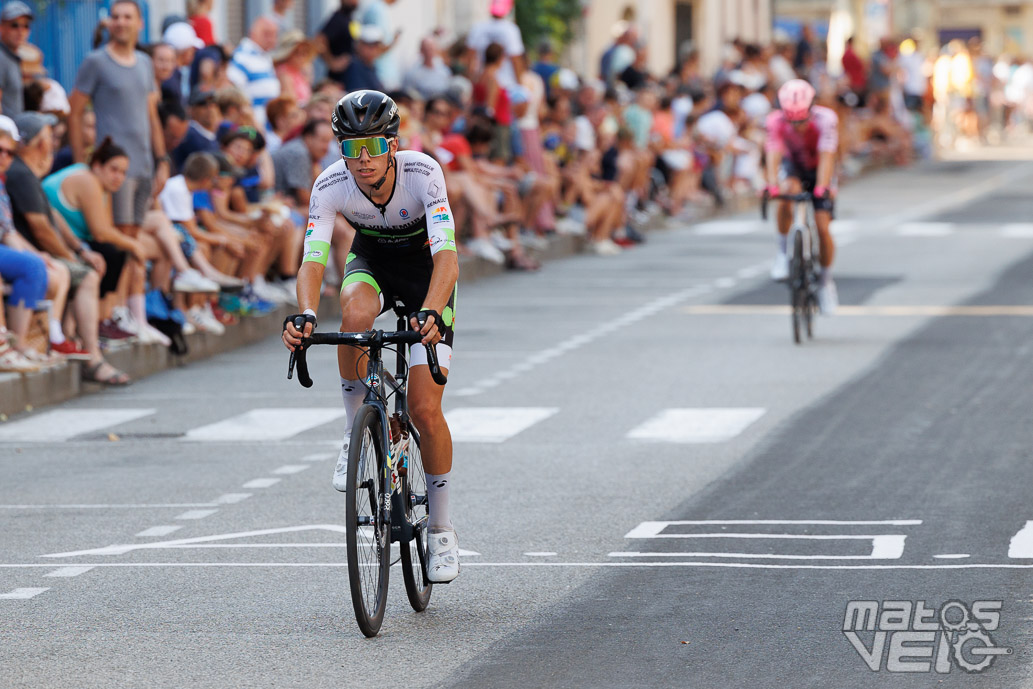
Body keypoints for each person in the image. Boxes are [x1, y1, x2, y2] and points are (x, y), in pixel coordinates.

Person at [282, 90, 461, 583]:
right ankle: (351, 432)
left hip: (427, 274)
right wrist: (305, 313)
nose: (362, 160)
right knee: (354, 315)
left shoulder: (423, 172)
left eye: (373, 147)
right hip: (373, 262)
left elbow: (448, 254)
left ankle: (441, 531)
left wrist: (430, 309)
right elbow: (313, 260)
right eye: (351, 147)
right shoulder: (331, 184)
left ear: (393, 144)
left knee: (425, 410)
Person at [7, 114, 131, 382]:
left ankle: (74, 339)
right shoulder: (20, 173)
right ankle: (92, 357)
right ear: (39, 143)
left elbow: (52, 217)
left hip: (34, 252)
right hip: (32, 253)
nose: (53, 141)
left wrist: (80, 249)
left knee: (89, 265)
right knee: (85, 274)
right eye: (49, 136)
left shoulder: (28, 173)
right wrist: (71, 257)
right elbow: (40, 227)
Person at [69, 0, 171, 246]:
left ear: (140, 23)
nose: (121, 22)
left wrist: (162, 161)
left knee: (134, 235)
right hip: (115, 168)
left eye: (127, 17)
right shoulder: (96, 62)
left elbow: (151, 116)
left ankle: (134, 287)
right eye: (116, 17)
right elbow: (74, 112)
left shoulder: (145, 63)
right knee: (120, 240)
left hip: (144, 165)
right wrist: (80, 162)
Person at [764, 79, 839, 314]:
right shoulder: (774, 121)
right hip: (794, 167)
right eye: (791, 120)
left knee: (822, 226)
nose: (797, 126)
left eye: (802, 120)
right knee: (787, 192)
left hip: (819, 168)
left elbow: (827, 155)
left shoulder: (826, 119)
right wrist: (771, 185)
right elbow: (773, 153)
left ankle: (826, 282)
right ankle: (783, 251)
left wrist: (823, 186)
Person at [226, 17, 281, 130]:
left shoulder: (265, 56)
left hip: (267, 126)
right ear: (253, 33)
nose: (271, 39)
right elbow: (232, 91)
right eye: (266, 34)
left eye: (274, 34)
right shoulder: (242, 56)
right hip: (251, 128)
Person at [315, 0, 360, 88]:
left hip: (351, 75)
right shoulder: (338, 18)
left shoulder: (350, 19)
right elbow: (319, 40)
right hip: (339, 79)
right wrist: (331, 62)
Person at [0, 0, 33, 116]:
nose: (21, 31)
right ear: (1, 27)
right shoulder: (2, 58)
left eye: (26, 26)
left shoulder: (12, 57)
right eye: (15, 25)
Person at [341, 25, 385, 93]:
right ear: (359, 45)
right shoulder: (354, 66)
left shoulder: (370, 67)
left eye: (376, 45)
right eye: (370, 45)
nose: (374, 49)